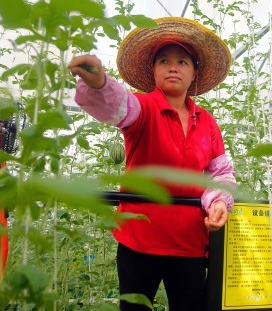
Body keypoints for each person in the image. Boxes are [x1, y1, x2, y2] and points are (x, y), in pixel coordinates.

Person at [68, 17, 236, 311]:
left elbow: (218, 173)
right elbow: (117, 103)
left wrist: (219, 203)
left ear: (194, 72)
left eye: (183, 61)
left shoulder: (206, 121)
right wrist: (99, 82)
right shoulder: (142, 108)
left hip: (189, 244)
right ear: (154, 70)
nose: (173, 67)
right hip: (139, 240)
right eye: (164, 60)